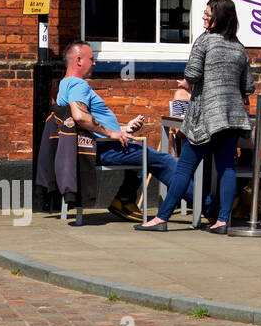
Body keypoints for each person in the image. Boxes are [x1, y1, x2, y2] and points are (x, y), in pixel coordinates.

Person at [137, 0, 254, 234]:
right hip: (232, 118)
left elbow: (192, 73)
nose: (203, 16)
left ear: (217, 17)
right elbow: (248, 86)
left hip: (207, 119)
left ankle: (161, 218)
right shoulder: (239, 48)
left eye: (207, 13)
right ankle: (222, 221)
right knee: (227, 169)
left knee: (183, 169)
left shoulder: (205, 41)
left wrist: (186, 83)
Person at [57, 41, 188, 222]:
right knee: (162, 160)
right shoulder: (78, 85)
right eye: (91, 59)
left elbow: (84, 121)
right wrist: (112, 134)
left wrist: (122, 129)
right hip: (102, 148)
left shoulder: (64, 84)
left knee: (138, 149)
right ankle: (208, 204)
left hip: (96, 144)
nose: (94, 63)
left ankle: (124, 201)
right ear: (79, 60)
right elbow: (79, 116)